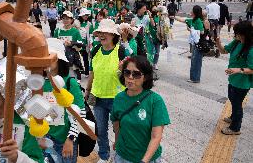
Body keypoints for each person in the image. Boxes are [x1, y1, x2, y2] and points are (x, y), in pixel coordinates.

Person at [111, 56, 170, 163]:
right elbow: (116, 124)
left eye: (136, 74)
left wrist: (144, 160)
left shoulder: (155, 101)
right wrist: (117, 141)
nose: (130, 77)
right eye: (127, 72)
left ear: (146, 77)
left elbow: (156, 136)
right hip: (122, 155)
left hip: (147, 158)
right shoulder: (118, 98)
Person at [85, 19, 127, 163]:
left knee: (119, 130)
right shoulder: (95, 50)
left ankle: (119, 155)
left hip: (118, 98)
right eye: (100, 32)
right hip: (98, 98)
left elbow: (129, 76)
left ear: (113, 35)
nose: (102, 35)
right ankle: (104, 155)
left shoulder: (120, 51)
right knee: (101, 130)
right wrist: (88, 90)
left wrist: (122, 70)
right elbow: (92, 73)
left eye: (106, 33)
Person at [41, 38, 86, 162]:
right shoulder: (38, 83)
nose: (46, 61)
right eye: (43, 57)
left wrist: (70, 139)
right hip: (45, 139)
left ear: (59, 59)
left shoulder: (70, 82)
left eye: (50, 56)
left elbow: (80, 113)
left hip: (65, 140)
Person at [215, 21, 253, 135]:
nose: (235, 35)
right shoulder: (237, 42)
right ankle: (233, 117)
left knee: (237, 104)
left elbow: (252, 69)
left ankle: (235, 128)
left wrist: (238, 70)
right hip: (233, 79)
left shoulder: (251, 49)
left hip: (242, 83)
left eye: (237, 33)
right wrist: (218, 43)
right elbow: (223, 51)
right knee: (232, 99)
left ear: (245, 34)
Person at [172, 5, 204, 83]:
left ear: (195, 12)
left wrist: (191, 30)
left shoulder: (198, 21)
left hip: (198, 44)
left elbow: (202, 32)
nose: (191, 11)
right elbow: (183, 20)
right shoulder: (193, 20)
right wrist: (173, 17)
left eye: (192, 10)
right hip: (195, 43)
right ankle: (194, 78)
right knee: (194, 60)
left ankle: (195, 78)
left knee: (196, 61)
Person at [53, 11, 83, 81]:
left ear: (72, 20)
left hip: (72, 59)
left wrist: (71, 43)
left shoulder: (75, 31)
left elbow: (80, 44)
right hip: (60, 59)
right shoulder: (58, 31)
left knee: (72, 79)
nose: (65, 20)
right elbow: (54, 44)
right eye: (64, 18)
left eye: (68, 18)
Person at [77, 8, 92, 78]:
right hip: (77, 44)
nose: (86, 16)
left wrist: (90, 43)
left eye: (87, 15)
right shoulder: (76, 23)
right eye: (84, 15)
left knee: (86, 59)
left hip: (85, 44)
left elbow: (91, 35)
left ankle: (86, 72)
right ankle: (78, 73)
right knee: (77, 59)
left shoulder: (89, 24)